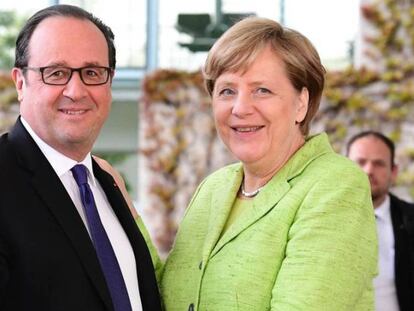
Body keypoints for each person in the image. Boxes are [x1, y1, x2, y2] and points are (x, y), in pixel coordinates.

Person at [157, 17, 377, 310]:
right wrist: (118, 208)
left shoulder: (335, 186)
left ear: (301, 103)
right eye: (227, 91)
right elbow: (169, 297)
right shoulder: (213, 188)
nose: (240, 108)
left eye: (262, 90)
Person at [0, 5, 161, 311]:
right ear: (20, 83)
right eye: (57, 73)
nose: (76, 90)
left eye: (92, 73)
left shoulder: (105, 185)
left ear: (109, 82)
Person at [347, 131, 414, 311]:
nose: (369, 170)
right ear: (344, 167)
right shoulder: (319, 218)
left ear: (393, 172)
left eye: (379, 164)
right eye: (360, 162)